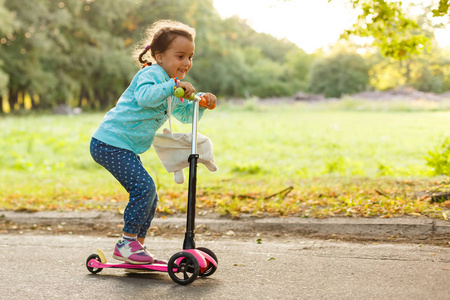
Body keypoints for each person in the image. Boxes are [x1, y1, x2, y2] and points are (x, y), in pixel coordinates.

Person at [90, 19, 217, 264]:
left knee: (151, 194)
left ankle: (136, 247)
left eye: (190, 57)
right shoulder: (150, 74)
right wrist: (172, 86)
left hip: (125, 146)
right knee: (144, 188)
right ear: (159, 55)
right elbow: (146, 97)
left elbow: (182, 115)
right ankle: (126, 244)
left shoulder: (173, 86)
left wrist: (200, 103)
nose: (186, 63)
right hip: (109, 142)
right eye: (180, 56)